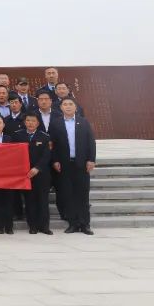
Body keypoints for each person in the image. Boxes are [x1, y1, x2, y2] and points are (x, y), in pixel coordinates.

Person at [51, 98, 96, 235]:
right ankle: (73, 224)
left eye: (71, 104)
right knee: (68, 194)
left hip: (81, 164)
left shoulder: (83, 122)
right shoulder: (56, 123)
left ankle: (85, 224)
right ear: (61, 108)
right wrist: (55, 160)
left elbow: (91, 142)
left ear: (76, 107)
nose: (68, 106)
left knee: (83, 194)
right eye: (65, 104)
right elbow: (52, 144)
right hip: (64, 164)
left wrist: (91, 159)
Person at [17, 111, 52, 235]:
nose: (30, 123)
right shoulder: (18, 135)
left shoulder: (45, 136)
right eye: (28, 120)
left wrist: (37, 168)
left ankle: (45, 226)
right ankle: (32, 226)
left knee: (43, 200)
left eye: (33, 121)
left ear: (38, 123)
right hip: (25, 174)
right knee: (30, 201)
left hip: (41, 174)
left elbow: (47, 155)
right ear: (24, 122)